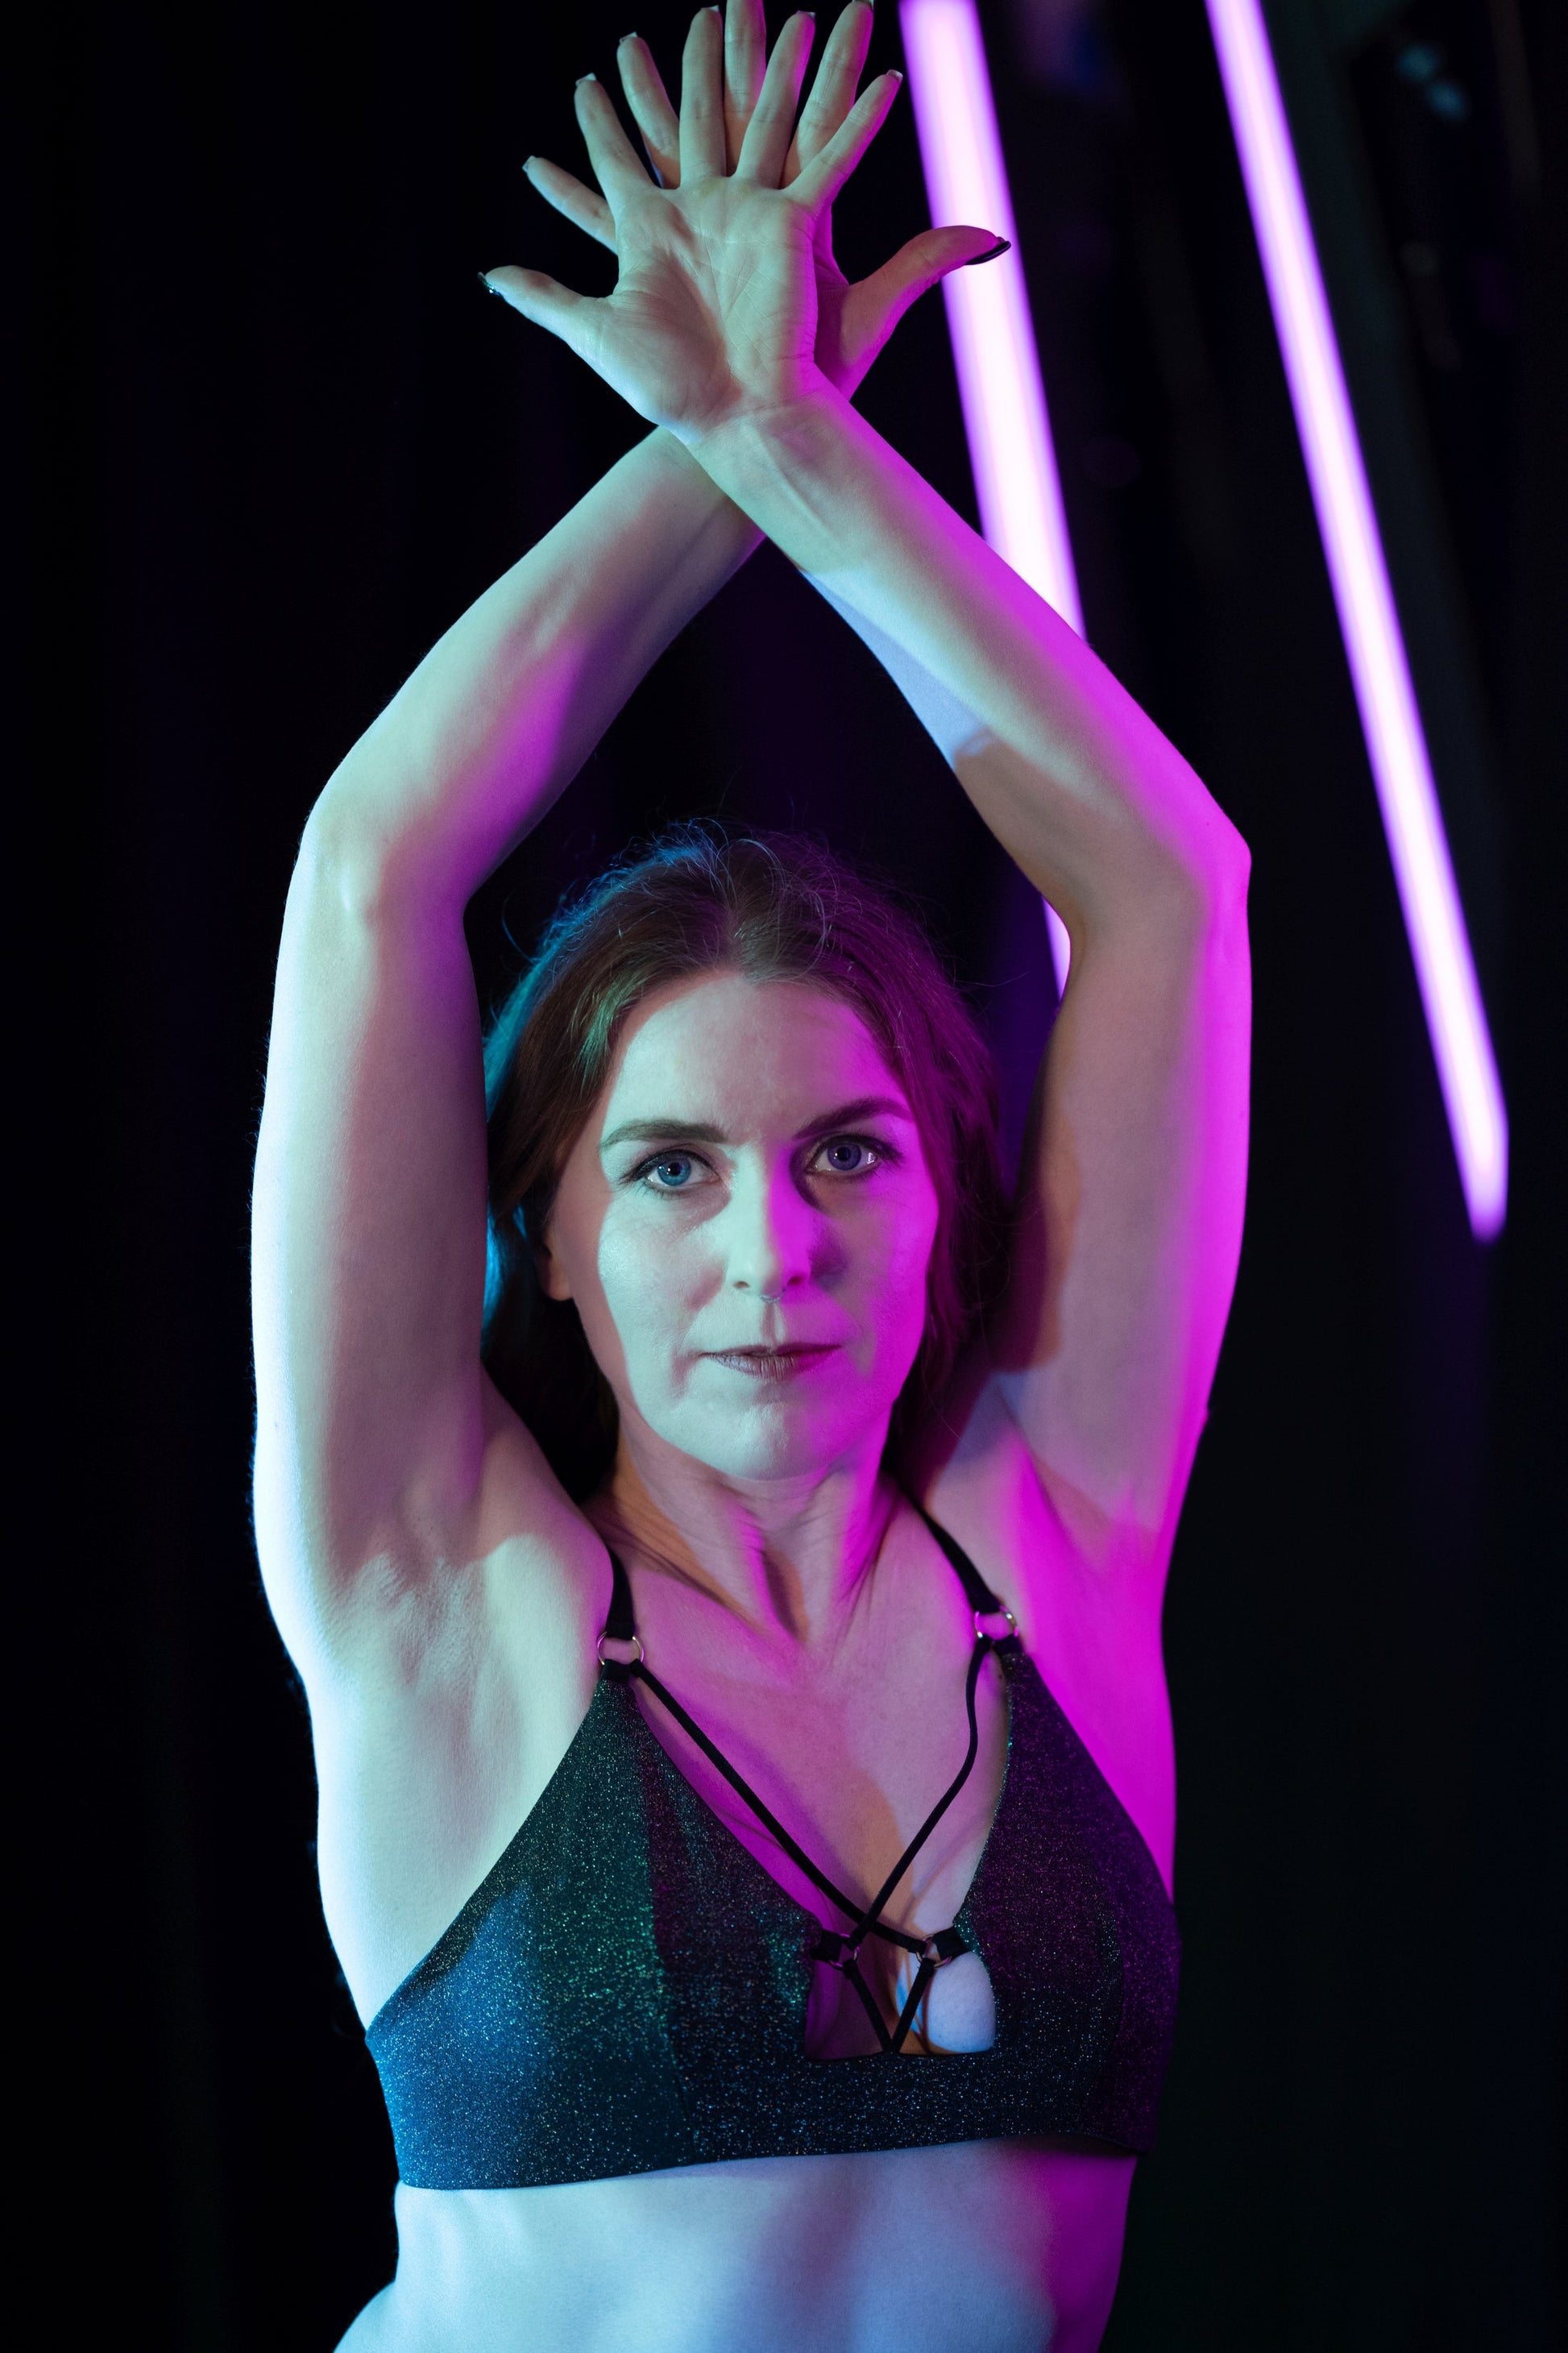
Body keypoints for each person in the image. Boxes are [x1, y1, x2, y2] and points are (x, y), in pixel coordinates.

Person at [250, 6, 1251, 2347]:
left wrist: (796, 433)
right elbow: (371, 868)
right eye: (672, 1171)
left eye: (848, 1155)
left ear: (943, 1206)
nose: (770, 1249)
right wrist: (715, 442)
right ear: (548, 1244)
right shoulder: (438, 1594)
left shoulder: (1057, 1549)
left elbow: (1171, 892)